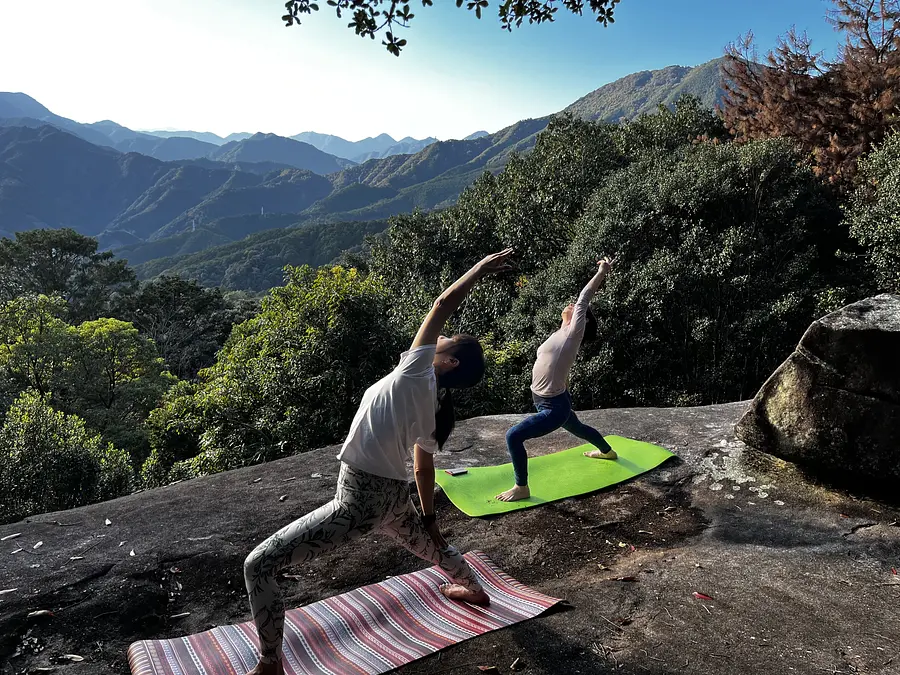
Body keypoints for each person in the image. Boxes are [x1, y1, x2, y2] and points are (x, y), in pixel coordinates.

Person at [243, 248, 514, 675]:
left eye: (446, 341)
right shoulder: (435, 403)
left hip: (358, 500)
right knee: (433, 549)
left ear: (448, 360)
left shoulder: (415, 370)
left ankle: (270, 661)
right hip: (392, 497)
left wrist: (479, 269)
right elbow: (422, 468)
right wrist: (430, 520)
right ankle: (473, 588)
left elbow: (443, 303)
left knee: (258, 565)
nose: (440, 338)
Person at [496, 257, 618, 503]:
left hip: (554, 406)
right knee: (579, 428)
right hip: (551, 400)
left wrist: (602, 271)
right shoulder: (564, 331)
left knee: (513, 436)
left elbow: (585, 296)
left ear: (582, 321)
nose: (572, 305)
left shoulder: (574, 333)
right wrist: (566, 317)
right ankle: (608, 452)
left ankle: (522, 487)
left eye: (577, 309)